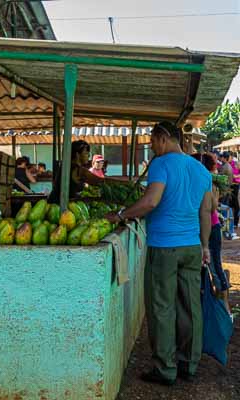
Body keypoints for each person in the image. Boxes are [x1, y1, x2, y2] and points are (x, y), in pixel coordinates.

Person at [105, 121, 212, 385]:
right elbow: (205, 213)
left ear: (163, 138)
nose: (151, 146)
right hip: (191, 246)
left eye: (152, 141)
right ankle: (189, 363)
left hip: (164, 247)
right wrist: (205, 245)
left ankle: (165, 369)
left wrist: (120, 215)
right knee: (190, 306)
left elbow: (151, 201)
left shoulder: (161, 165)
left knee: (162, 307)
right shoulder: (201, 170)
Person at [200, 153, 233, 316]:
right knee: (214, 265)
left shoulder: (208, 182)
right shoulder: (211, 181)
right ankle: (223, 305)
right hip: (212, 226)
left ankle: (224, 306)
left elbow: (212, 207)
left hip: (211, 226)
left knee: (214, 265)